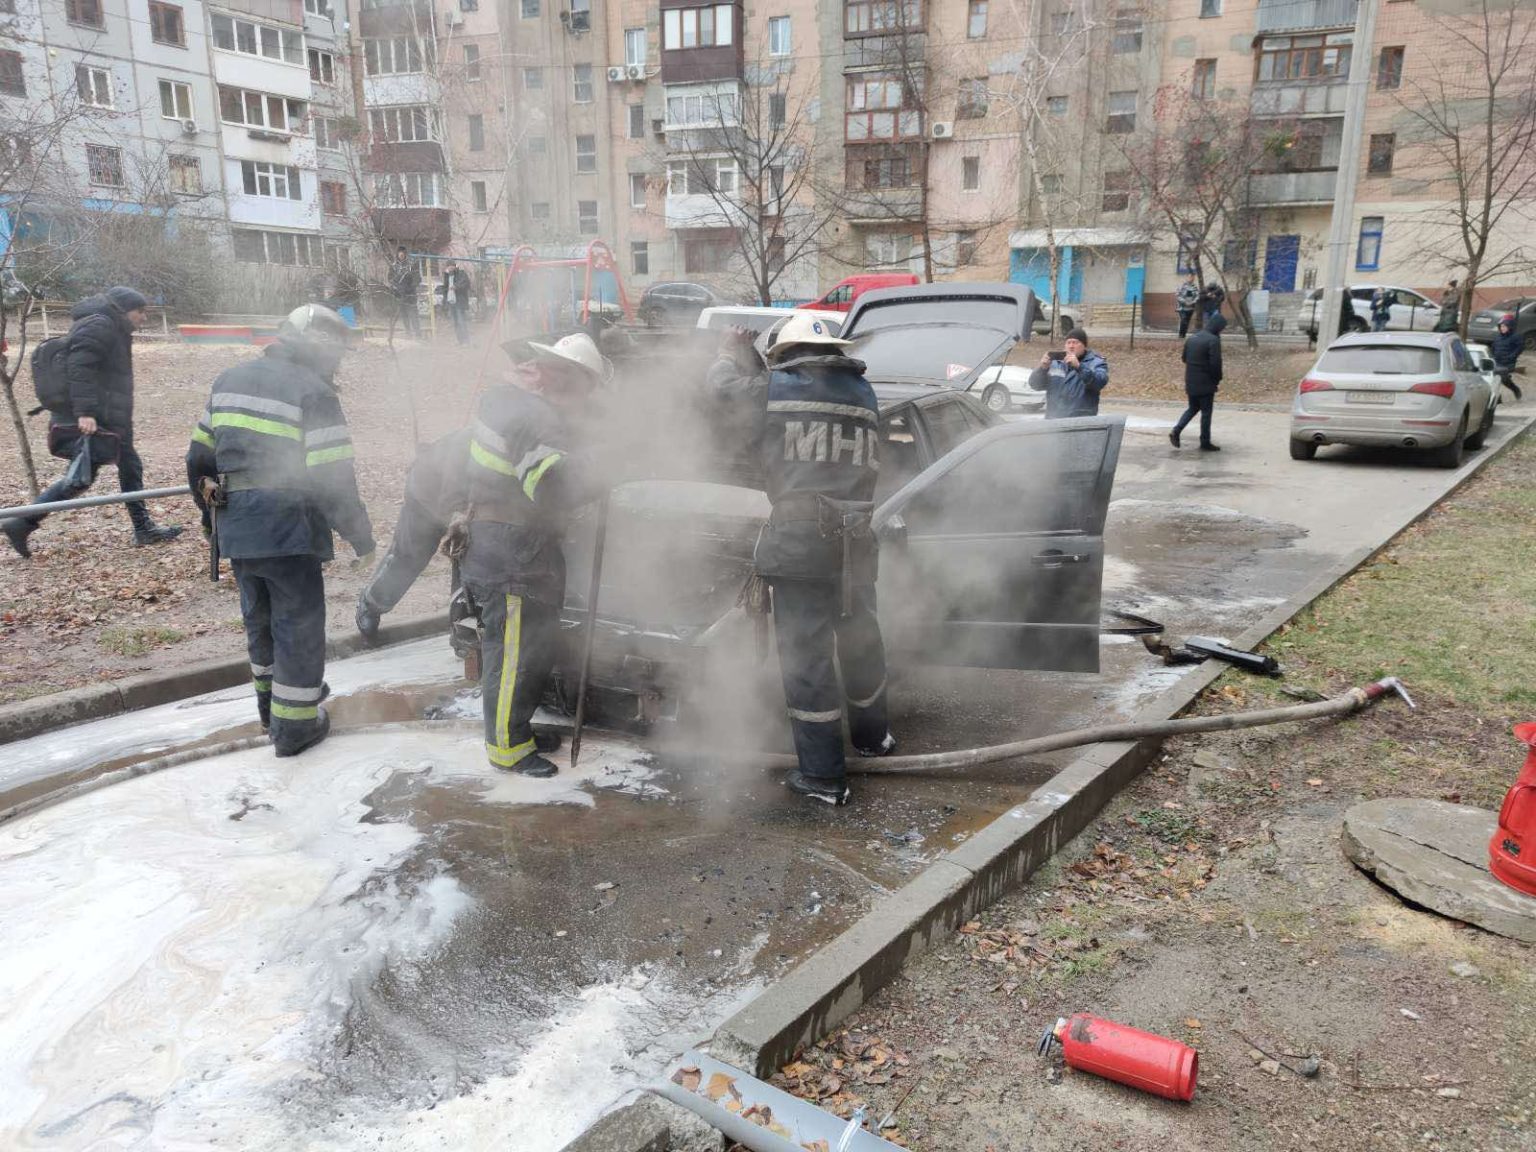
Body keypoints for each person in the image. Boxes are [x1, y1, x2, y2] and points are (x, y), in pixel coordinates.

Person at [186, 304, 375, 757]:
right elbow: (334, 477)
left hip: (237, 524)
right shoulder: (314, 392)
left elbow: (198, 459)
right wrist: (360, 534)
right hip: (289, 526)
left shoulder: (228, 380)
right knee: (298, 625)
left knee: (262, 622)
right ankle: (294, 729)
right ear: (322, 349)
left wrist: (209, 519)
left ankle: (273, 710)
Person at [750, 312, 895, 808]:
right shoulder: (864, 393)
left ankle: (824, 777)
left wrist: (731, 356)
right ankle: (874, 739)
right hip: (855, 542)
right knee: (860, 641)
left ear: (786, 356)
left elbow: (723, 398)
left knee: (807, 660)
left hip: (801, 546)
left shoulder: (777, 389)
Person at [459, 332, 609, 778]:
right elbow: (550, 487)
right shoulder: (535, 417)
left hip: (510, 546)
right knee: (513, 657)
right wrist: (603, 470)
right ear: (564, 377)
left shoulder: (512, 404)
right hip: (512, 553)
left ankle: (515, 730)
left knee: (527, 650)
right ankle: (507, 749)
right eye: (585, 388)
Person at [2, 286, 182, 558]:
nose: (144, 317)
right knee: (80, 478)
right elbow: (79, 367)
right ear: (124, 309)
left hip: (111, 415)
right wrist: (85, 412)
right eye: (140, 311)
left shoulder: (111, 325)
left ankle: (143, 528)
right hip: (96, 416)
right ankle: (22, 522)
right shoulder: (100, 325)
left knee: (128, 467)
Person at [355, 427, 471, 639]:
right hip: (427, 495)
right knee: (410, 556)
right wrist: (460, 519)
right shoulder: (472, 444)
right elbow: (453, 491)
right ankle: (372, 603)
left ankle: (463, 629)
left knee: (470, 560)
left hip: (465, 507)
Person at [1171, 312, 1225, 451]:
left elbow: (1184, 358)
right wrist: (1217, 379)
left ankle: (1176, 430)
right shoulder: (1213, 340)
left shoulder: (1192, 338)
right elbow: (1215, 364)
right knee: (1206, 413)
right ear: (1218, 327)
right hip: (1206, 383)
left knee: (1193, 408)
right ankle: (1205, 442)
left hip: (1190, 381)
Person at [1028, 328, 1109, 419]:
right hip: (1054, 421)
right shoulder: (1055, 363)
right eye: (1068, 342)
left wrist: (1079, 367)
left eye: (1075, 342)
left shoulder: (1096, 362)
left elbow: (1099, 382)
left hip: (1081, 422)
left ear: (1084, 346)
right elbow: (1035, 385)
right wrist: (1042, 369)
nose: (1071, 346)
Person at [389, 246, 421, 337]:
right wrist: (396, 288)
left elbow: (417, 278)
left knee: (413, 315)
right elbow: (390, 279)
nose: (401, 255)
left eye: (403, 253)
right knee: (404, 315)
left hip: (410, 295)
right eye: (399, 253)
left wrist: (411, 287)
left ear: (405, 254)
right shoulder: (394, 266)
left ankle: (418, 335)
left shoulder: (411, 265)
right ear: (397, 254)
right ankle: (408, 333)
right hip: (400, 295)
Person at [439, 261, 472, 345]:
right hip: (451, 302)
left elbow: (466, 284)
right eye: (448, 266)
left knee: (461, 321)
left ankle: (466, 341)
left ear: (454, 266)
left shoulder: (461, 273)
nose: (450, 268)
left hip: (459, 302)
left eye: (451, 266)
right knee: (455, 323)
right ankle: (460, 341)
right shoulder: (447, 275)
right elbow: (445, 288)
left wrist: (456, 287)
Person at [1492, 313, 1524, 401]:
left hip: (1508, 363)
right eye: (1501, 326)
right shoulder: (1498, 337)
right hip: (1497, 361)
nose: (1502, 328)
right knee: (1494, 378)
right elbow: (1494, 347)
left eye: (1504, 326)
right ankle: (1497, 397)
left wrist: (1511, 356)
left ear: (1510, 327)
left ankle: (1515, 389)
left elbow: (1519, 348)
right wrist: (1493, 355)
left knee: (1503, 378)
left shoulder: (1516, 337)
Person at [1175, 274, 1200, 338]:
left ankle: (1184, 334)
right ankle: (1181, 334)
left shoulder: (1195, 287)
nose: (1191, 278)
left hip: (1190, 308)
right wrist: (1184, 302)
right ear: (1187, 278)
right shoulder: (1182, 286)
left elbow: (1197, 296)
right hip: (1182, 307)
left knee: (1187, 321)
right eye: (1189, 277)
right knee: (1183, 320)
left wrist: (1193, 302)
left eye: (1192, 277)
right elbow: (1177, 295)